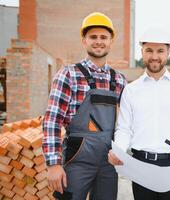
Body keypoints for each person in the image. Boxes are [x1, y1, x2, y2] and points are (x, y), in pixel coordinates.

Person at [108, 27, 170, 200]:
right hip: (141, 166)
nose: (154, 56)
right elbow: (124, 129)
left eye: (160, 51)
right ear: (142, 52)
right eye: (149, 50)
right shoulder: (131, 90)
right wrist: (120, 151)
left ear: (168, 52)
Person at [42, 12, 127, 200]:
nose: (98, 41)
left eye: (103, 37)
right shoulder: (68, 74)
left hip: (108, 163)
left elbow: (128, 122)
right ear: (84, 40)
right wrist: (53, 164)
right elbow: (52, 122)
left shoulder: (119, 80)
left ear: (111, 41)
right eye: (93, 37)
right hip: (76, 162)